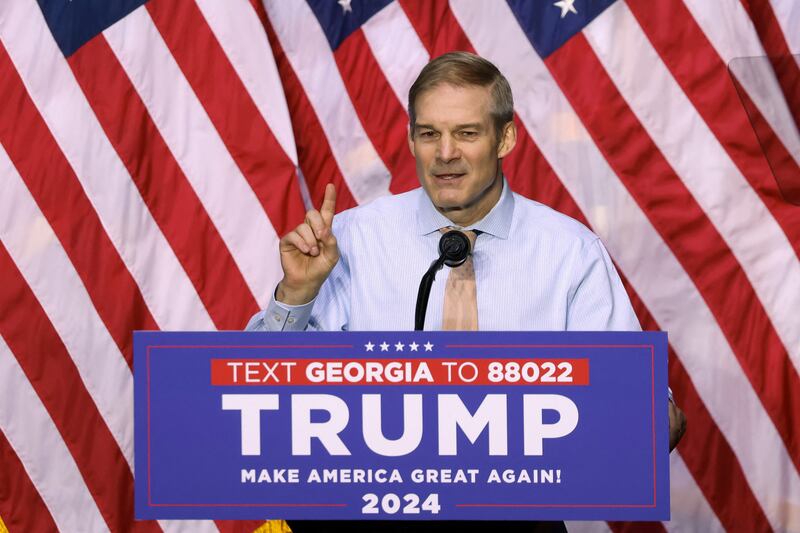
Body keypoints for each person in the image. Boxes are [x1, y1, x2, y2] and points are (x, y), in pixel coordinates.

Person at [247, 52, 685, 532]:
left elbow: (648, 417)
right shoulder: (349, 240)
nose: (445, 153)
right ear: (412, 138)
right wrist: (296, 293)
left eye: (467, 133)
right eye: (429, 133)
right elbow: (259, 398)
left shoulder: (569, 252)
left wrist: (626, 426)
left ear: (506, 138)